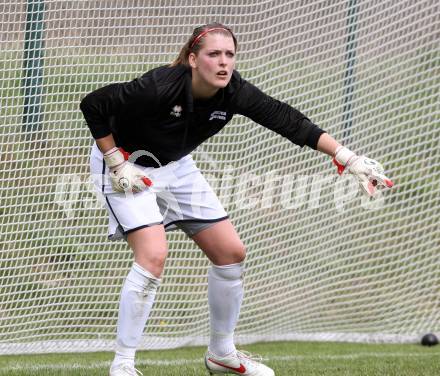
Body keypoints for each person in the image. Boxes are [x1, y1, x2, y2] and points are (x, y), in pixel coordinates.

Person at [80, 22, 393, 376]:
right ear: (193, 59)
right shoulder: (159, 86)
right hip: (127, 163)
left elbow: (288, 120)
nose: (224, 62)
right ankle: (122, 365)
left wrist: (348, 158)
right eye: (214, 54)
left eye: (229, 54)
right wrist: (115, 162)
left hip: (177, 167)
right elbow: (93, 104)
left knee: (231, 253)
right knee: (153, 255)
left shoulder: (234, 91)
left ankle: (221, 353)